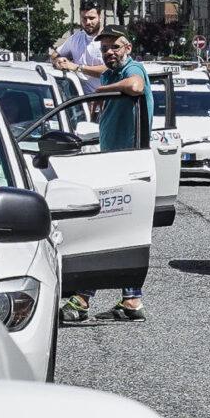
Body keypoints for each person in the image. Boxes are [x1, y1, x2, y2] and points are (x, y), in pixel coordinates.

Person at [64, 29, 153, 324]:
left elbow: (137, 86)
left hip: (127, 164)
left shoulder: (132, 68)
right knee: (121, 229)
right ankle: (131, 300)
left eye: (114, 47)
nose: (109, 52)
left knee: (103, 226)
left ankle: (83, 297)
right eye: (104, 49)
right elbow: (104, 72)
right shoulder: (109, 73)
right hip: (113, 161)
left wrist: (99, 92)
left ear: (127, 47)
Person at [51, 4, 107, 89]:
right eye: (84, 18)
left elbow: (109, 71)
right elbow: (55, 55)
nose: (88, 22)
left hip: (103, 97)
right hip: (79, 98)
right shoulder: (76, 38)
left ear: (100, 17)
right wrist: (58, 61)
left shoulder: (108, 40)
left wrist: (77, 68)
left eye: (92, 18)